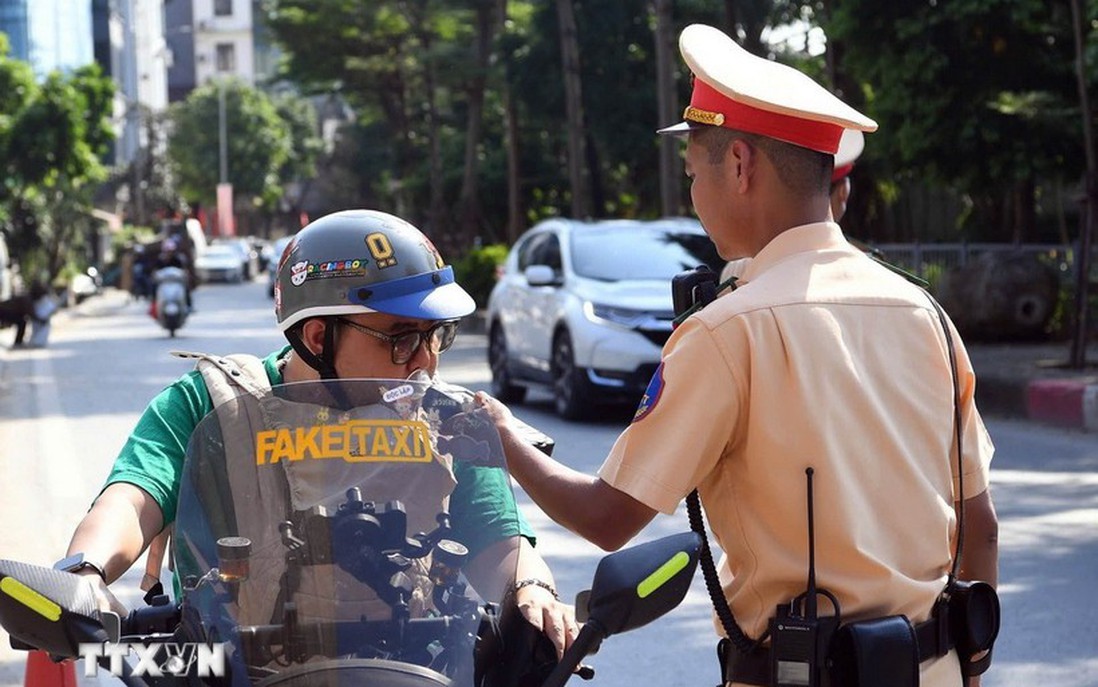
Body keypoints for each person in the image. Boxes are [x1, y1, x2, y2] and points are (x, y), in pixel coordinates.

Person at [477, 24, 998, 687]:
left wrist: (503, 439)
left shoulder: (727, 330)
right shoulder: (925, 315)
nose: (693, 198)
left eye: (695, 174)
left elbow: (608, 518)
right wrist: (968, 669)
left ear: (741, 166)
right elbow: (980, 525)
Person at [63, 209, 577, 657]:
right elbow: (131, 500)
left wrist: (532, 589)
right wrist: (86, 576)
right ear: (317, 336)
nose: (425, 362)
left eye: (435, 336)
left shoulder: (446, 415)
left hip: (413, 669)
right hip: (229, 670)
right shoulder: (209, 403)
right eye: (401, 339)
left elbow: (499, 542)